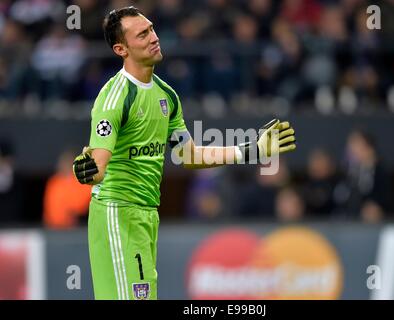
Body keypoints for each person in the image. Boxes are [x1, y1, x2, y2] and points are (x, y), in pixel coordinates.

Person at [72, 6, 296, 300]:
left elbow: (189, 155)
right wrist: (85, 168)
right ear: (120, 49)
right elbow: (97, 167)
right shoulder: (114, 97)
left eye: (151, 29)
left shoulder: (166, 95)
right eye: (142, 34)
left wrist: (252, 150)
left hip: (146, 215)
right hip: (117, 212)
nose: (154, 37)